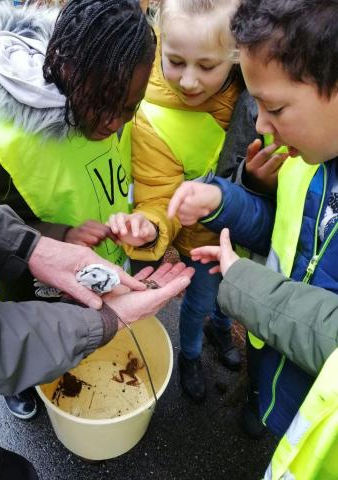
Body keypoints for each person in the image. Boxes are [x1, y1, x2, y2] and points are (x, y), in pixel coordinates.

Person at [0, 2, 194, 477]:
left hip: (91, 272)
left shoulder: (120, 120)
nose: (116, 123)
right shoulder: (12, 147)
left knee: (76, 332)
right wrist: (60, 235)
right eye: (106, 106)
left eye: (131, 107)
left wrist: (139, 221)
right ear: (67, 71)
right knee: (26, 355)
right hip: (27, 293)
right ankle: (20, 389)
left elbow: (136, 186)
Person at [168, 0, 338, 449]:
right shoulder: (311, 160)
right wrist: (224, 200)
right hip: (277, 378)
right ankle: (259, 406)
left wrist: (242, 282)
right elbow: (287, 229)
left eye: (275, 108)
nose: (260, 122)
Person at [107, 0, 262, 404]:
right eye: (175, 61)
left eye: (207, 66)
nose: (189, 81)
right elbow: (157, 193)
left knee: (234, 293)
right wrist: (150, 226)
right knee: (199, 300)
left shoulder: (254, 93)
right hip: (199, 239)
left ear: (235, 56)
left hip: (251, 229)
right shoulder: (151, 115)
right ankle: (190, 354)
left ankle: (221, 327)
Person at [192, 228, 338, 480]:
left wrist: (242, 281)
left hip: (320, 424)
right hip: (268, 309)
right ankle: (255, 396)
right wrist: (222, 200)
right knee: (259, 354)